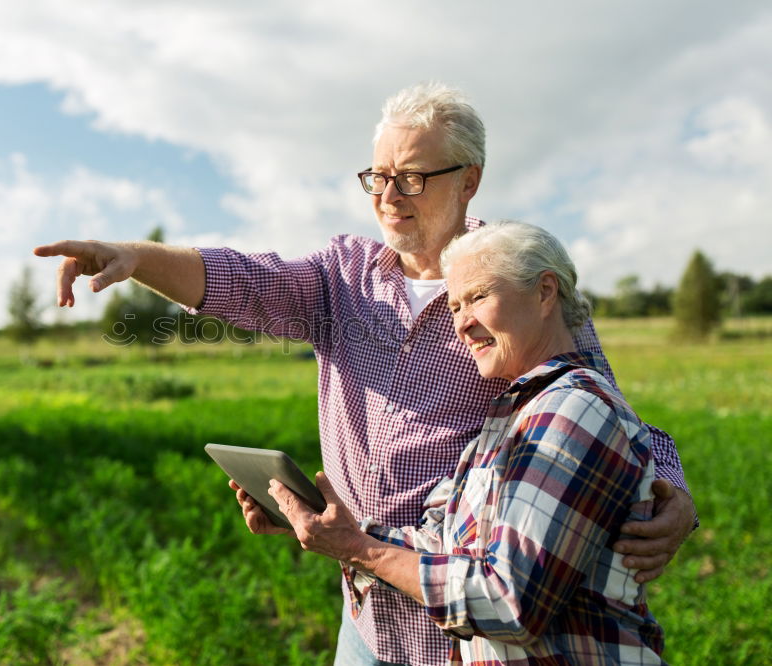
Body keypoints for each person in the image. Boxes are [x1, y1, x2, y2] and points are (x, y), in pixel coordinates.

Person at [34, 82, 694, 666]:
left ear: (469, 179)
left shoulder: (512, 284)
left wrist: (672, 491)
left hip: (464, 634)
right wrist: (131, 255)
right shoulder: (342, 277)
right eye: (376, 176)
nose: (387, 195)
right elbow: (244, 282)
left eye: (411, 177)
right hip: (364, 619)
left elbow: (606, 410)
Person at [262, 220, 667, 664]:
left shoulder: (574, 410)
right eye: (454, 307)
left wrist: (360, 549)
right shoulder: (515, 413)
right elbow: (450, 549)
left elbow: (509, 603)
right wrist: (329, 526)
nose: (463, 324)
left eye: (478, 297)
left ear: (545, 292)